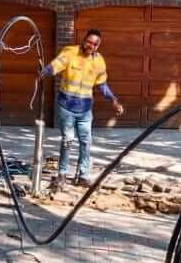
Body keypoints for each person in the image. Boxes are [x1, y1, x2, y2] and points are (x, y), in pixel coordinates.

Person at [40, 28, 123, 188]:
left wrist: (113, 100)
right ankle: (62, 174)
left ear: (98, 46)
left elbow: (102, 84)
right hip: (66, 107)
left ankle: (83, 176)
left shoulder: (99, 61)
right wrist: (46, 71)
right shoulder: (70, 52)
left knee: (86, 142)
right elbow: (56, 65)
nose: (90, 46)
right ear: (84, 40)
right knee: (67, 140)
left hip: (85, 110)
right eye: (88, 42)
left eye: (94, 44)